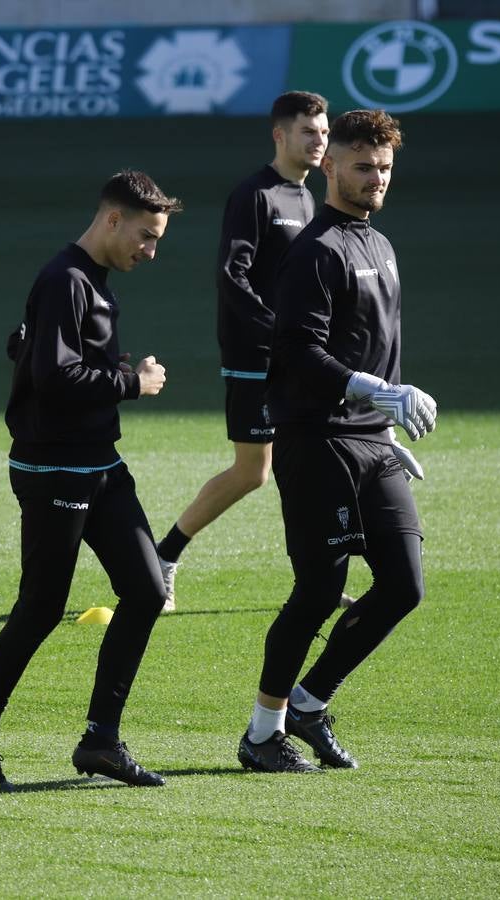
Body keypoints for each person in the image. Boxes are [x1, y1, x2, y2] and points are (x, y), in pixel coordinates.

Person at [0, 170, 180, 792]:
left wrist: (114, 369)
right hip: (54, 467)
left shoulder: (87, 282)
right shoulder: (65, 278)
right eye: (146, 235)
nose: (150, 251)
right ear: (112, 220)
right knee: (42, 607)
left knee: (147, 588)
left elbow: (40, 353)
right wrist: (134, 383)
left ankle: (101, 740)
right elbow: (54, 376)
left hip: (98, 462)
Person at [236, 109, 435, 774]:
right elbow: (296, 352)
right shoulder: (315, 252)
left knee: (403, 586)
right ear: (330, 167)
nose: (375, 179)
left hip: (368, 440)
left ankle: (311, 702)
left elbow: (382, 347)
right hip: (316, 440)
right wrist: (379, 394)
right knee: (319, 591)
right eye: (361, 166)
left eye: (383, 168)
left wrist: (383, 417)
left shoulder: (379, 245)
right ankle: (264, 733)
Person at [155, 90, 329, 612]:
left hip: (296, 357)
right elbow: (231, 274)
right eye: (308, 131)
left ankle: (317, 579)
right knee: (252, 471)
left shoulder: (306, 198)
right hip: (255, 356)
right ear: (280, 135)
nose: (319, 141)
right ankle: (164, 556)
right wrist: (275, 331)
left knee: (305, 463)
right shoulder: (255, 195)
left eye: (323, 132)